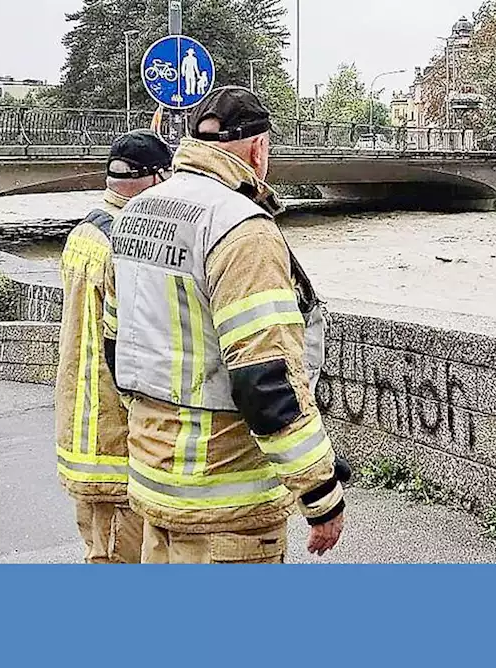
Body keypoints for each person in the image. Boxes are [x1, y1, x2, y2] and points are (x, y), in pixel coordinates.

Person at [110, 86, 347, 564]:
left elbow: (118, 347)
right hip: (226, 500)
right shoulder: (241, 227)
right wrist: (320, 492)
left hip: (155, 482)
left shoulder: (137, 213)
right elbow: (265, 379)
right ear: (258, 149)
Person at [54, 129, 173, 564]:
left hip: (80, 422)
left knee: (98, 546)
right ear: (156, 179)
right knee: (118, 556)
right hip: (115, 432)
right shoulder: (126, 243)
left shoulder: (85, 232)